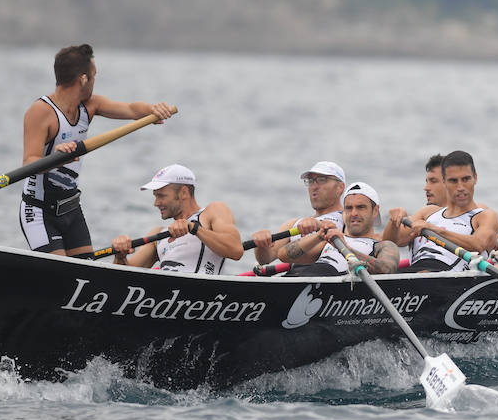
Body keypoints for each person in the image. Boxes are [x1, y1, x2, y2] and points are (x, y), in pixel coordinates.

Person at [20, 43, 175, 258]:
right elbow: (29, 163)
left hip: (71, 208)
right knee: (60, 273)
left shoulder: (90, 106)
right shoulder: (41, 112)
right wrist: (56, 158)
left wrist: (152, 110)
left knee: (85, 271)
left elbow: (130, 109)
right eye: (94, 76)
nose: (95, 81)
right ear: (83, 79)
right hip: (39, 211)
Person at [109, 164, 242, 273]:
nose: (156, 203)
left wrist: (194, 228)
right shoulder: (158, 235)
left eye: (161, 196)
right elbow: (125, 277)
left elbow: (236, 250)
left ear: (183, 193)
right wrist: (120, 256)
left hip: (204, 297)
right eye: (155, 196)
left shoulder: (212, 211)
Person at [386, 150, 498, 272]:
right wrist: (393, 222)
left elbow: (478, 244)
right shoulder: (428, 212)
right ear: (444, 182)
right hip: (415, 272)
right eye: (453, 181)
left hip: (451, 279)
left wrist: (433, 229)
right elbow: (394, 242)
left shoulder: (485, 216)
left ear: (475, 178)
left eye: (466, 179)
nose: (461, 187)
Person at [250, 161, 346, 266]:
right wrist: (261, 245)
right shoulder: (293, 224)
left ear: (340, 187)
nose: (314, 186)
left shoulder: (348, 218)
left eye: (321, 180)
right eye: (311, 181)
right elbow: (266, 259)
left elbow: (310, 255)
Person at [300, 181, 403, 276]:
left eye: (361, 207)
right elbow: (285, 256)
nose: (354, 213)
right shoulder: (328, 238)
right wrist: (314, 233)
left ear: (375, 211)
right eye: (349, 208)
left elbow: (387, 269)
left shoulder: (382, 245)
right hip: (304, 277)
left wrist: (345, 248)